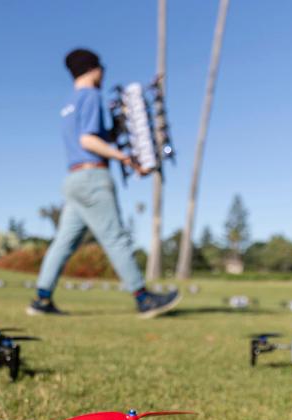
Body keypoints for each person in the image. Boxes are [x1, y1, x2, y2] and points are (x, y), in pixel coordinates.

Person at [27, 48, 180, 318]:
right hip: (92, 177)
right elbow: (88, 140)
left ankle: (41, 300)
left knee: (64, 243)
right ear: (93, 69)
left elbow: (88, 136)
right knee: (116, 237)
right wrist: (124, 157)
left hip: (73, 178)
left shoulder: (69, 103)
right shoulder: (91, 96)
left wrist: (115, 132)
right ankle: (143, 299)